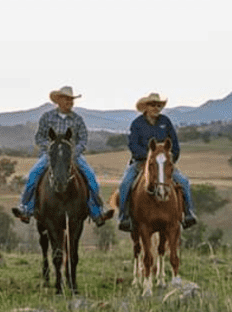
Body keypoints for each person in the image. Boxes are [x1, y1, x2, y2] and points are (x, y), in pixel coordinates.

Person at [11, 86, 113, 226]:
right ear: (58, 100)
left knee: (91, 179)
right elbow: (39, 137)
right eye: (66, 99)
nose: (70, 102)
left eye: (71, 99)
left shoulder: (77, 119)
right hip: (50, 155)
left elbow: (83, 139)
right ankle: (26, 208)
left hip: (73, 156)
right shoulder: (47, 117)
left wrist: (73, 152)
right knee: (33, 176)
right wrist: (51, 149)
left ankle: (97, 212)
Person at [116, 93, 198, 231]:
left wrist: (170, 161)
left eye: (158, 105)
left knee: (184, 182)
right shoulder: (137, 124)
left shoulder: (165, 122)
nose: (156, 107)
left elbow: (175, 144)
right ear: (146, 107)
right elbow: (133, 145)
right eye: (152, 104)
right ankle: (124, 217)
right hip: (140, 163)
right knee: (125, 183)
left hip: (164, 165)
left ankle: (188, 213)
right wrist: (148, 158)